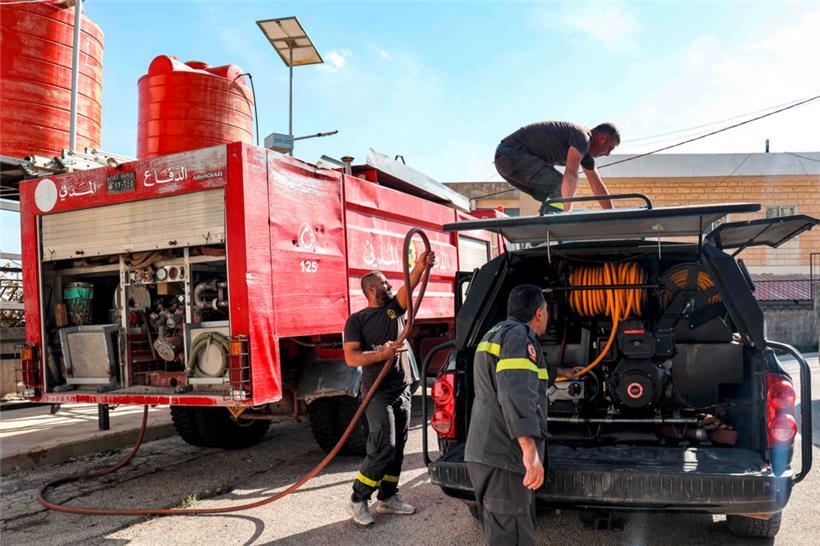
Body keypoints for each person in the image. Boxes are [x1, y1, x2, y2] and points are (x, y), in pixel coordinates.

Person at [342, 249, 436, 526]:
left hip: (401, 388)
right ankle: (358, 499)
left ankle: (387, 497)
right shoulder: (357, 320)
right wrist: (380, 354)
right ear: (372, 289)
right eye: (384, 282)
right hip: (377, 392)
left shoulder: (393, 310)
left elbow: (409, 287)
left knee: (398, 448)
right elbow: (351, 357)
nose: (389, 284)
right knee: (384, 445)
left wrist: (420, 265)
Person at [465, 284, 550, 546]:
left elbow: (508, 377)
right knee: (511, 536)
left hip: (486, 450)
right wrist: (529, 449)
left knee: (502, 529)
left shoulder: (496, 332)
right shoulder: (519, 337)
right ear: (538, 313)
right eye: (546, 310)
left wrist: (559, 372)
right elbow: (515, 392)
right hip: (504, 454)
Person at [495, 120, 620, 211]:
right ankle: (549, 226)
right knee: (561, 187)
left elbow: (597, 186)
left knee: (551, 195)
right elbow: (571, 174)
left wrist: (612, 215)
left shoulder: (585, 154)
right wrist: (567, 212)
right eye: (610, 148)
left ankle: (546, 228)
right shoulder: (582, 137)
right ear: (602, 139)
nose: (607, 154)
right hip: (511, 154)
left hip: (506, 161)